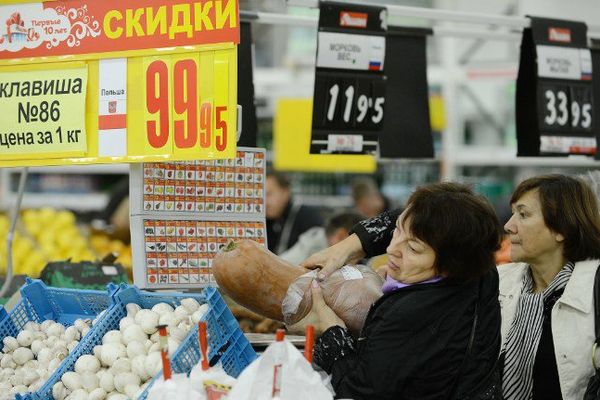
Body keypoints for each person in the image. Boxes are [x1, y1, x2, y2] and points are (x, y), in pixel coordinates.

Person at [305, 174, 600, 400]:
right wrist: (349, 247)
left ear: (562, 226)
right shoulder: (495, 278)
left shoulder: (593, 290)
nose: (509, 225)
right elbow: (433, 219)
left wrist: (334, 333)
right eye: (511, 213)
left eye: (523, 214)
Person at [306, 182, 503, 399]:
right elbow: (419, 218)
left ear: (450, 264)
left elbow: (359, 391)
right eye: (397, 231)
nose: (392, 249)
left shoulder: (407, 315)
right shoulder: (481, 272)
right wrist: (350, 245)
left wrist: (333, 334)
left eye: (413, 249)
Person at [266, 171, 323, 254]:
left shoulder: (307, 218)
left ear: (285, 193)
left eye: (269, 194)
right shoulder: (266, 221)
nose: (264, 201)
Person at [280, 212, 364, 265]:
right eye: (359, 247)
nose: (359, 258)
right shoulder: (315, 250)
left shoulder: (315, 237)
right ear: (340, 235)